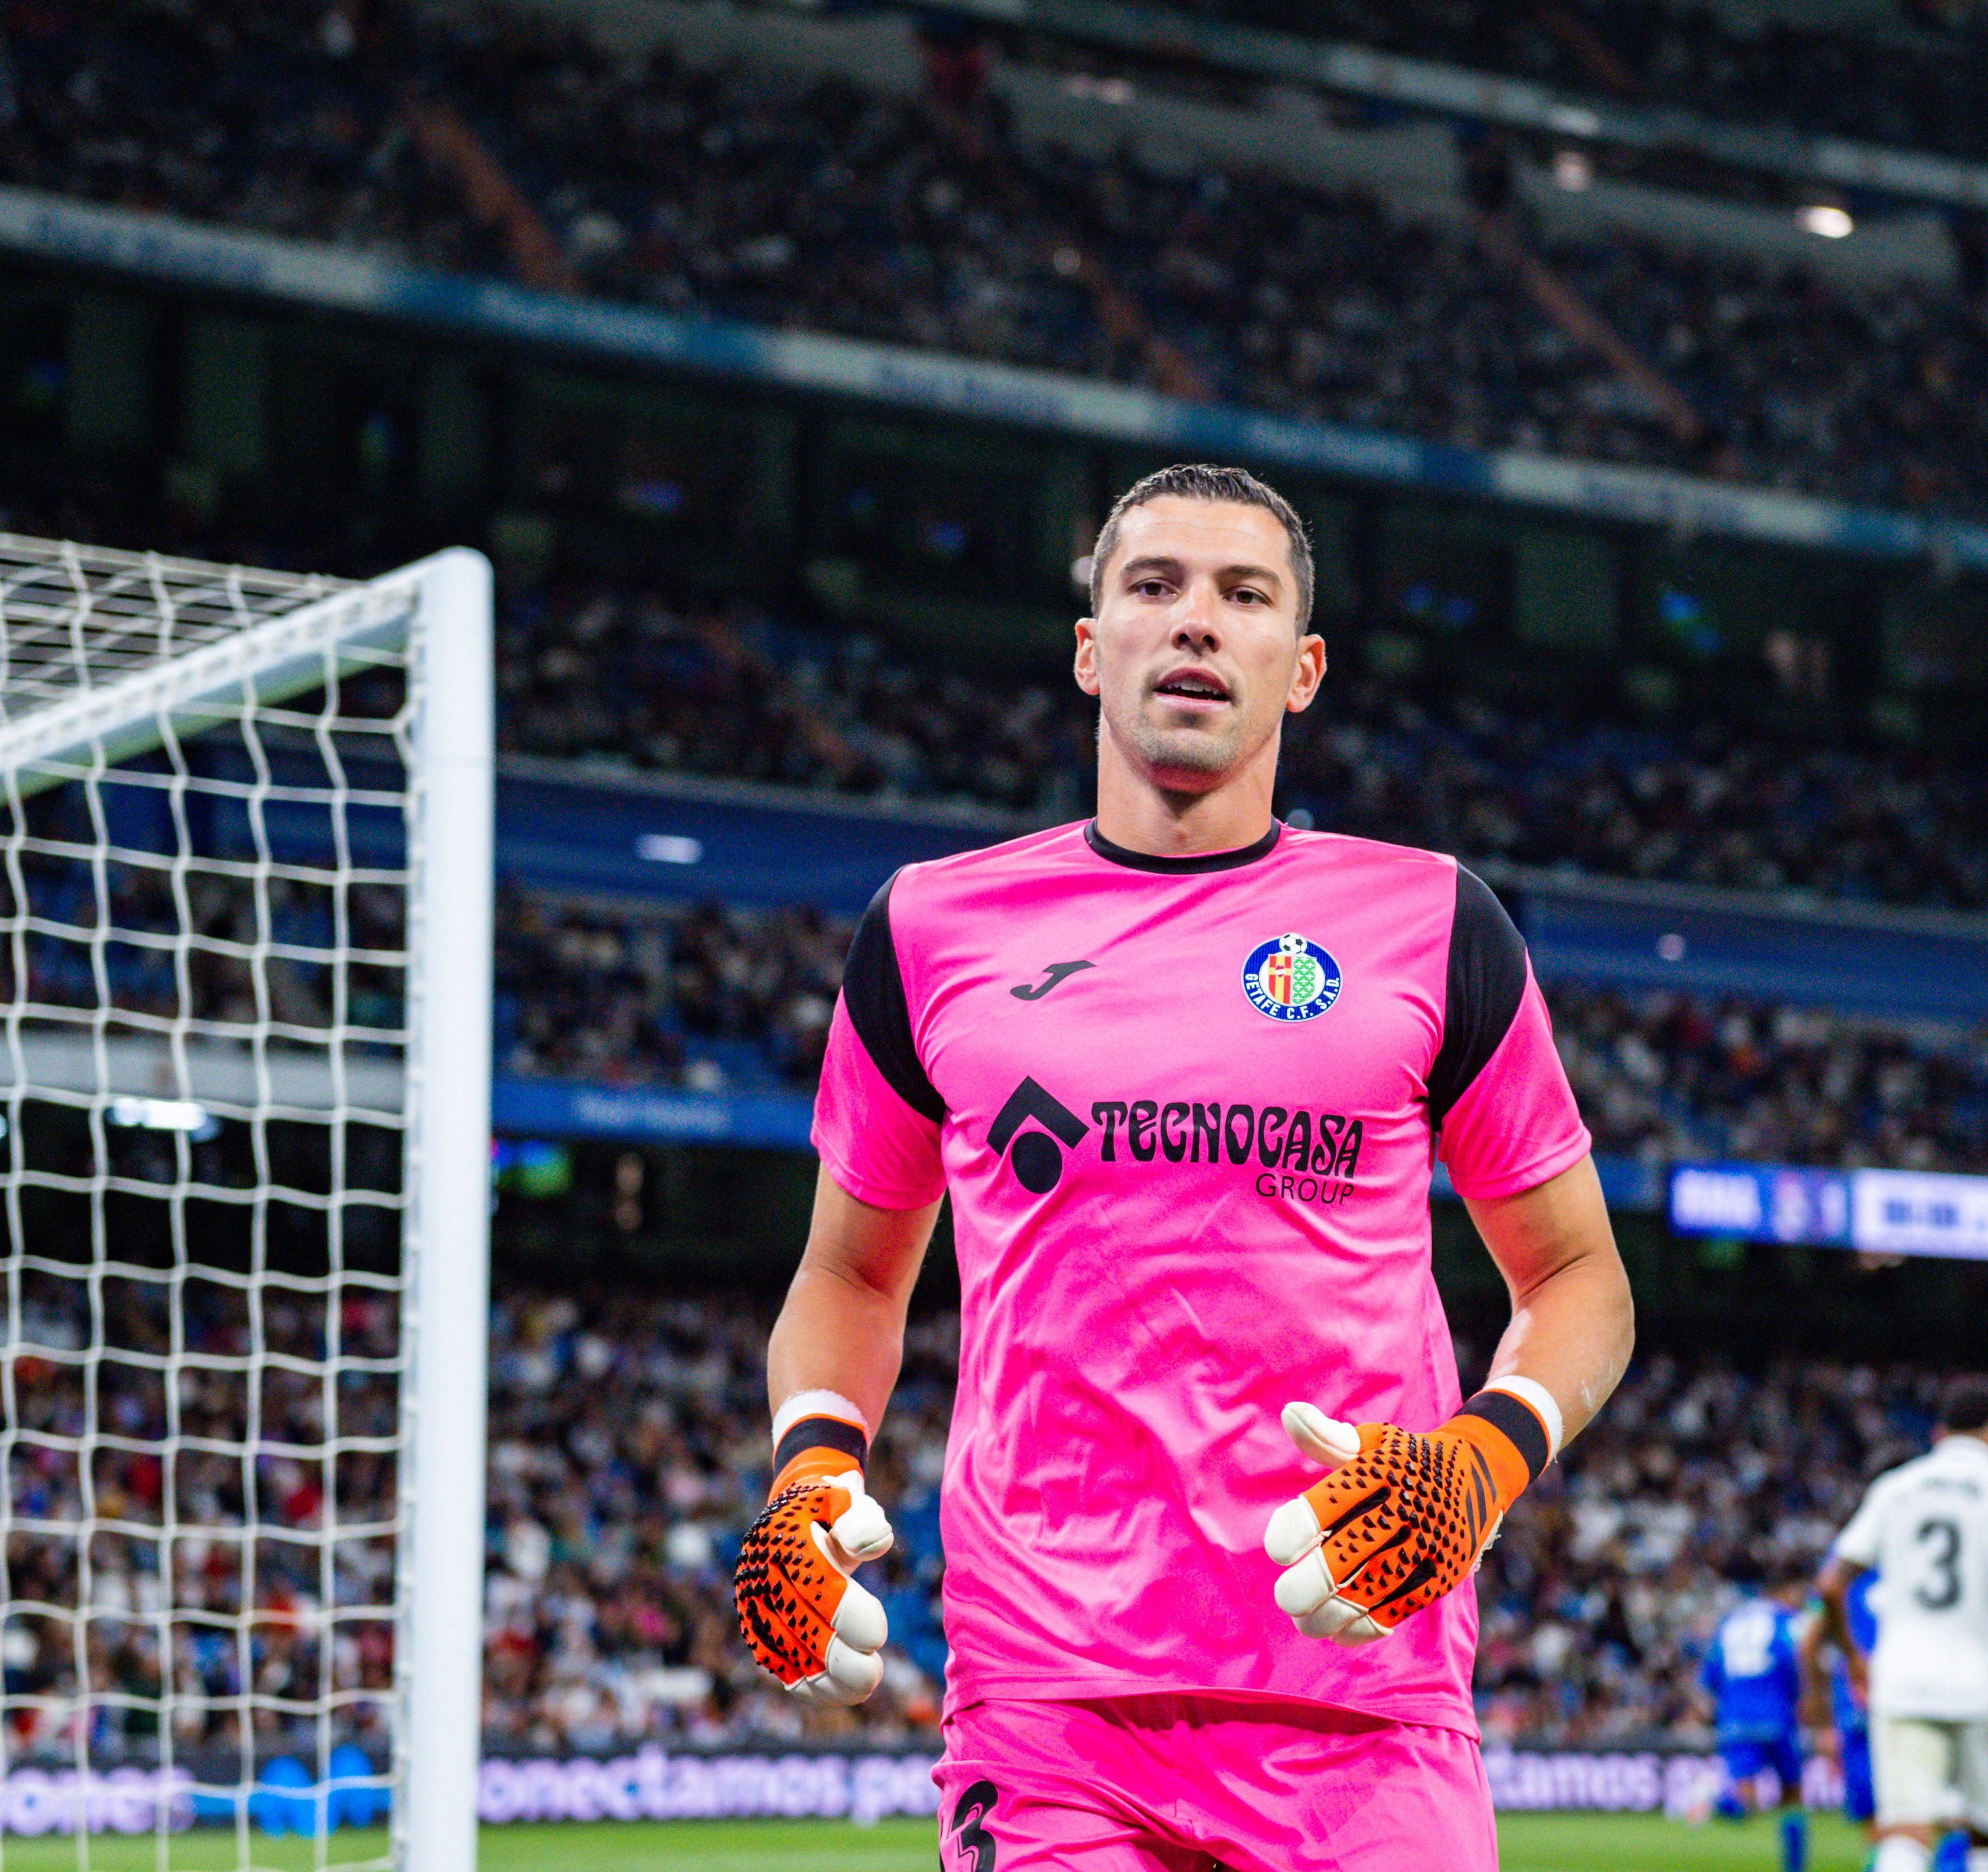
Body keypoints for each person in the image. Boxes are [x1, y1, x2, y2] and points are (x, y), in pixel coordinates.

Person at [729, 464, 1637, 1872]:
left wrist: (1476, 1464)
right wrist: (804, 1481)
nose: (1196, 623)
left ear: (1305, 666)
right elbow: (851, 1269)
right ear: (1092, 646)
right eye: (1153, 587)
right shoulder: (928, 932)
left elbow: (1581, 1278)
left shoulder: (1434, 921)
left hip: (1367, 1700)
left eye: (1244, 595)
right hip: (1047, 1714)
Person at [1815, 1378, 1988, 1872]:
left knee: (1905, 1836)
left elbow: (1829, 1585)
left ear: (1941, 1432)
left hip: (1902, 1679)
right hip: (1984, 1678)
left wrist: (1854, 1655)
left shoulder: (1895, 1487)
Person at [1703, 1564, 1812, 1872]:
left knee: (1746, 1802)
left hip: (1735, 1717)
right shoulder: (1790, 1620)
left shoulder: (1731, 1622)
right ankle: (1795, 1867)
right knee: (1792, 1792)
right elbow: (1800, 1662)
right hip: (1778, 1713)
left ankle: (1717, 1801)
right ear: (1785, 1592)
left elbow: (1710, 1676)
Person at [1800, 1566, 1879, 1836]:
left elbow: (1809, 1645)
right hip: (1917, 1697)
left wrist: (1822, 1718)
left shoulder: (1840, 1570)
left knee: (1874, 1816)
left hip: (1858, 1702)